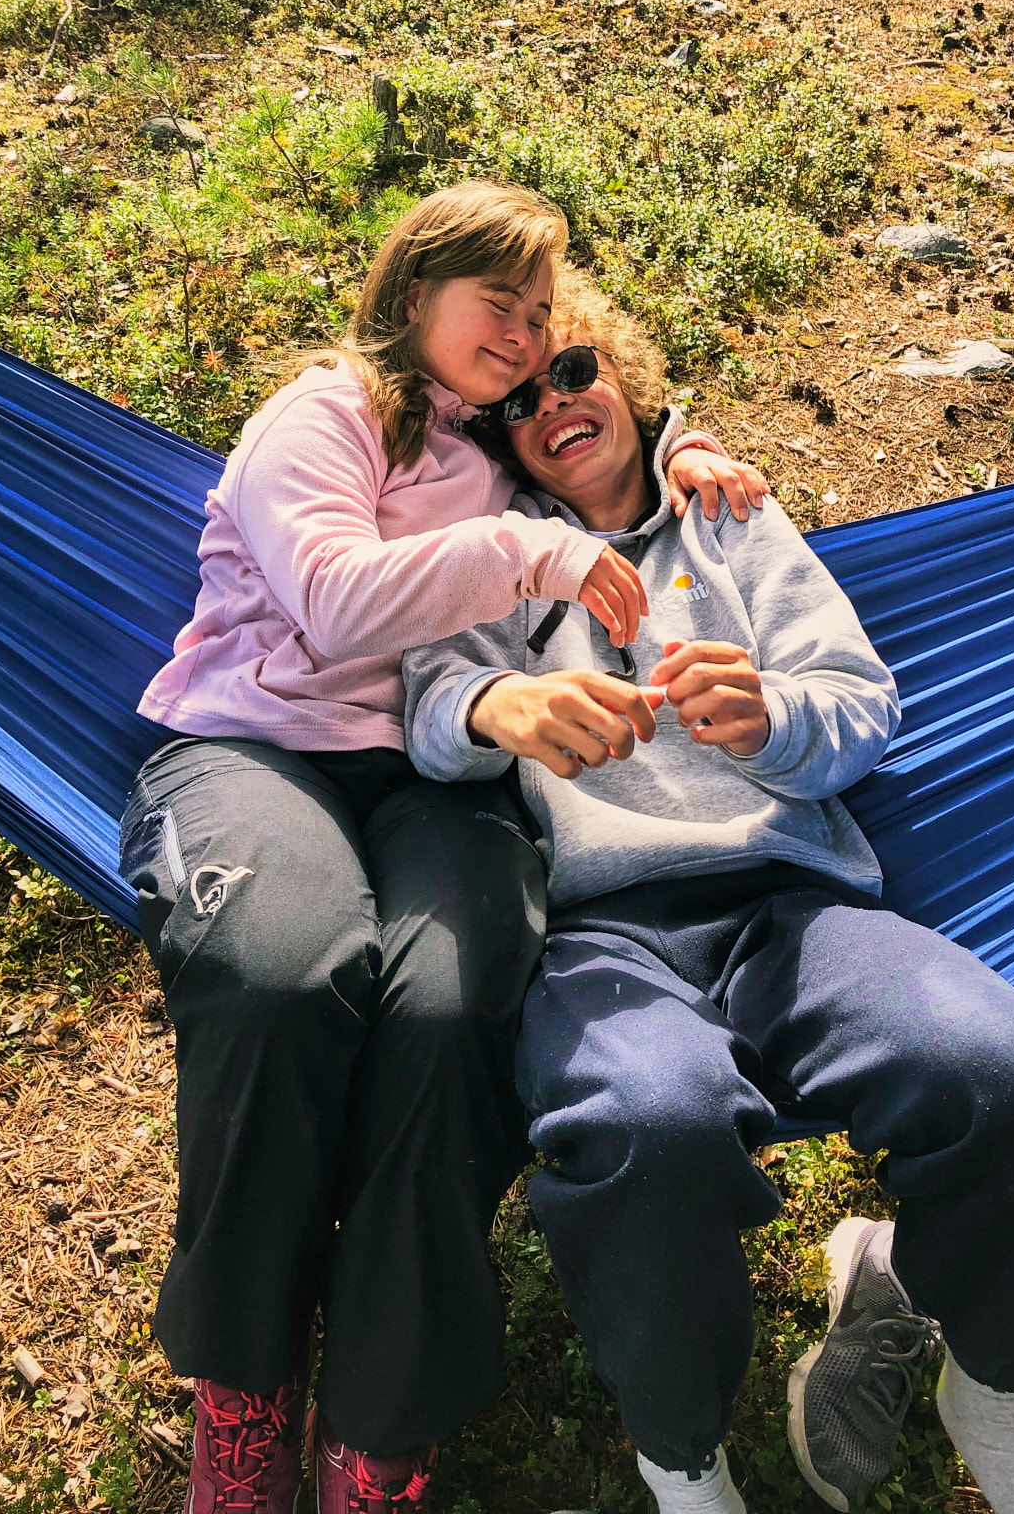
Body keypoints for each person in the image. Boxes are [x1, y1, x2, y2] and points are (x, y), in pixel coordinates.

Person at [403, 270, 1014, 1514]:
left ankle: (990, 1385)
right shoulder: (491, 559)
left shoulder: (729, 518)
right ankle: (682, 1455)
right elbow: (426, 713)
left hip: (796, 909)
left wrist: (773, 719)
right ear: (497, 442)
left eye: (572, 371)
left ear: (625, 383)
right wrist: (495, 703)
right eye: (515, 402)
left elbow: (859, 701)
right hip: (601, 933)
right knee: (649, 1126)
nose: (551, 404)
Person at [119, 184, 767, 1514]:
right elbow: (332, 600)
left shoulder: (494, 445)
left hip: (435, 769)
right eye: (500, 305)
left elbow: (608, 454)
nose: (526, 337)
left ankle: (380, 1418)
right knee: (285, 976)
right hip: (255, 751)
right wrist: (526, 553)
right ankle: (246, 1387)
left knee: (451, 1006)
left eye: (541, 314)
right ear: (416, 292)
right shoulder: (324, 414)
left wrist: (690, 453)